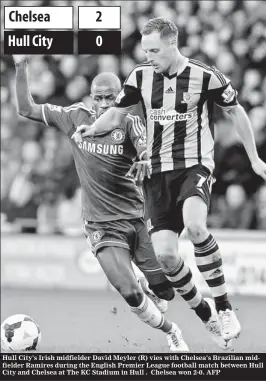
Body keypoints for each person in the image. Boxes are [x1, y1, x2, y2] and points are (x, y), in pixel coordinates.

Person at [74, 17, 266, 343]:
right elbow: (117, 114)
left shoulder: (205, 76)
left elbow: (236, 112)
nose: (148, 55)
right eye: (145, 49)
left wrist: (254, 158)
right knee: (165, 255)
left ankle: (224, 306)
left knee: (195, 226)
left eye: (154, 50)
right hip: (157, 173)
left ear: (172, 44)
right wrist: (93, 129)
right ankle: (205, 315)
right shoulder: (140, 76)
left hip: (195, 165)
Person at [13, 55, 191, 352]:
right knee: (129, 291)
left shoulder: (131, 122)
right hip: (101, 225)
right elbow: (26, 108)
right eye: (99, 98)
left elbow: (146, 148)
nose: (105, 103)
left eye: (111, 97)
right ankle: (172, 333)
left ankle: (153, 287)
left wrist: (146, 159)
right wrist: (21, 68)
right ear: (91, 98)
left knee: (166, 292)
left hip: (136, 218)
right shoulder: (74, 116)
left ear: (121, 96)